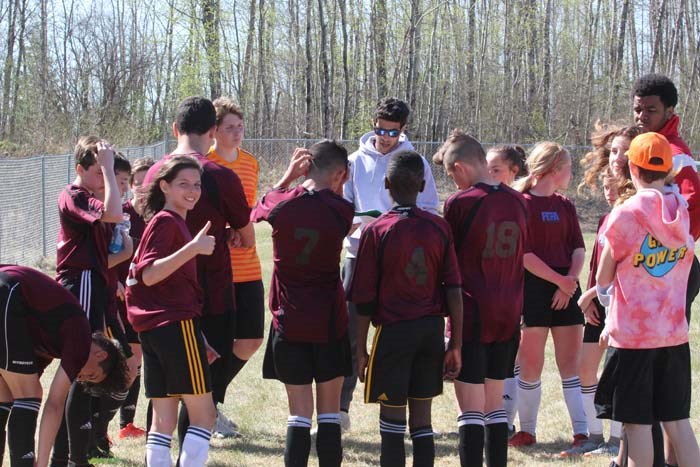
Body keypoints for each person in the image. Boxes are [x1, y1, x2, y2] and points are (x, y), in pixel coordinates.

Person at [142, 96, 254, 448]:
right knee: (200, 390)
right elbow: (248, 236)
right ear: (212, 131)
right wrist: (230, 232)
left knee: (160, 395)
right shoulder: (220, 175)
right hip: (210, 297)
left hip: (158, 300)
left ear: (175, 130)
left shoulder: (153, 173)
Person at [348, 150, 463, 467]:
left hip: (393, 334)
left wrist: (360, 350)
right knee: (422, 421)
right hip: (429, 331)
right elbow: (454, 290)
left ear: (385, 184)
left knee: (392, 419)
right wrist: (455, 343)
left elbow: (363, 299)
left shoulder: (377, 231)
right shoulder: (439, 228)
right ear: (423, 184)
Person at [594, 132, 700, 467]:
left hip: (634, 339)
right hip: (673, 333)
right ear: (668, 169)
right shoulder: (680, 209)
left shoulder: (627, 212)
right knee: (678, 422)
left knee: (637, 425)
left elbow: (604, 276)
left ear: (632, 169)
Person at [252, 140, 353, 467]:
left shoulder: (282, 203)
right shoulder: (342, 209)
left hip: (289, 319)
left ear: (305, 167)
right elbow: (336, 208)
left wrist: (286, 178)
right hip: (329, 321)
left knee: (298, 415)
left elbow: (257, 210)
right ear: (341, 174)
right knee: (329, 415)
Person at [341, 98, 440, 431]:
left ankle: (412, 408)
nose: (385, 137)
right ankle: (341, 408)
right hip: (358, 252)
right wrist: (363, 221)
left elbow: (428, 207)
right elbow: (343, 207)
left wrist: (394, 224)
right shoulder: (354, 161)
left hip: (401, 259)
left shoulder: (414, 162)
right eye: (380, 129)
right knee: (352, 333)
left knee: (402, 330)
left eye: (392, 132)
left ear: (403, 130)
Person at [434, 131, 528, 467]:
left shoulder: (461, 202)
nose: (452, 182)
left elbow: (449, 264)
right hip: (509, 310)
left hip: (473, 311)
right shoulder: (519, 201)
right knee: (495, 405)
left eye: (450, 175)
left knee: (469, 407)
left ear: (459, 167)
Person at [126, 155, 218, 467]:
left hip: (157, 330)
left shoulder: (165, 221)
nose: (192, 190)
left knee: (162, 421)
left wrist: (198, 335)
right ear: (164, 186)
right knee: (205, 417)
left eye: (197, 184)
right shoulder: (166, 222)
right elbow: (149, 275)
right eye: (183, 184)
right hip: (173, 326)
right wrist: (192, 247)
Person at [632, 72, 700, 467]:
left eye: (650, 109)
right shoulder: (644, 144)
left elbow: (692, 216)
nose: (641, 115)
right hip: (644, 272)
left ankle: (669, 457)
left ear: (670, 111)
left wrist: (659, 248)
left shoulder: (677, 155)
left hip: (668, 273)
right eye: (638, 108)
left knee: (662, 370)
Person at [52, 137, 133, 467]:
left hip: (95, 283)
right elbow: (114, 213)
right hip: (81, 282)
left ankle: (78, 452)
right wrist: (110, 174)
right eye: (99, 172)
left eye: (108, 173)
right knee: (82, 367)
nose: (106, 179)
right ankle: (68, 456)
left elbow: (117, 239)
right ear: (80, 170)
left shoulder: (92, 197)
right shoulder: (74, 195)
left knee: (93, 370)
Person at [0, 264, 128, 467]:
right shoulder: (81, 340)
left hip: (7, 290)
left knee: (5, 395)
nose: (81, 378)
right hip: (8, 291)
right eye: (91, 376)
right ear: (100, 354)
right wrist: (42, 463)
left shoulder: (51, 343)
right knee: (29, 394)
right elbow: (54, 404)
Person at [509, 142, 589, 450]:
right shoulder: (521, 202)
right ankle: (527, 431)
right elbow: (524, 255)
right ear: (554, 169)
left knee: (571, 363)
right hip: (534, 288)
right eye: (569, 168)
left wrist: (568, 282)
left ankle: (582, 433)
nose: (571, 173)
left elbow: (578, 248)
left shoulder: (565, 204)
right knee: (530, 364)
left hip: (566, 287)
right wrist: (559, 281)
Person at [207, 97, 265, 437]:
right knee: (215, 345)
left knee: (251, 339)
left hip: (249, 266)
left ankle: (207, 402)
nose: (236, 133)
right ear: (214, 130)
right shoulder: (205, 162)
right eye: (229, 127)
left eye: (240, 127)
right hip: (217, 269)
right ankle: (206, 410)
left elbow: (250, 209)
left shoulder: (250, 163)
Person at [485, 144, 528, 435]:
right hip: (484, 293)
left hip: (509, 294)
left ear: (514, 171)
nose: (489, 175)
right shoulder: (478, 201)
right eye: (486, 168)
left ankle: (504, 421)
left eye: (496, 170)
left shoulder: (520, 203)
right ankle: (482, 419)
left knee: (506, 362)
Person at [117, 157, 154, 439]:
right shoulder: (121, 215)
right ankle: (110, 422)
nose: (143, 188)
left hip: (149, 301)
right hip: (121, 300)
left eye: (149, 182)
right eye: (138, 183)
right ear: (130, 186)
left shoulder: (159, 216)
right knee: (126, 360)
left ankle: (127, 424)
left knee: (138, 361)